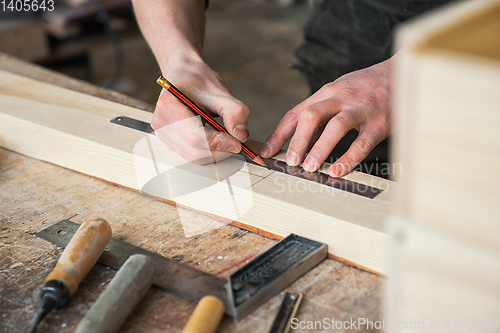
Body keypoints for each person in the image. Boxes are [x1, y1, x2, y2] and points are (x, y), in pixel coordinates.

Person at [131, 0, 452, 178]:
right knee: (352, 175)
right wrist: (181, 62)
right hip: (353, 19)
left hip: (478, 32)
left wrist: (416, 68)